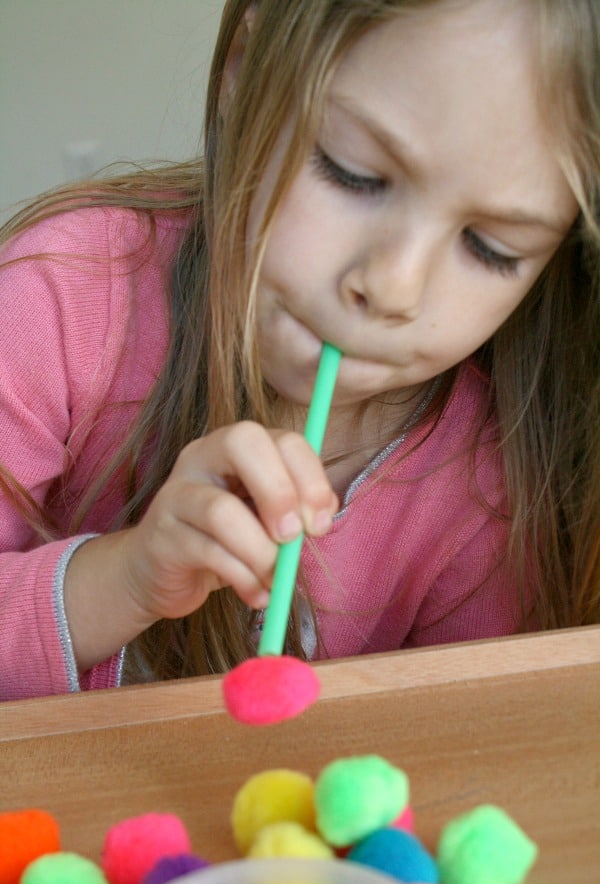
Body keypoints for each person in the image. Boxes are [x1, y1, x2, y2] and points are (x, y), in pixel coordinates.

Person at [0, 0, 598, 702]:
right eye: (353, 173)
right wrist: (126, 578)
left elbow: (463, 756)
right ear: (244, 71)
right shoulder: (59, 295)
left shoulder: (485, 493)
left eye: (489, 249)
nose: (392, 286)